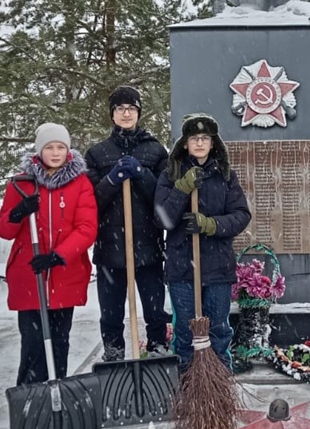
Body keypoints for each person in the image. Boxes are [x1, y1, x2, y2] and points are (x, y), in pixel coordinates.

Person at [0, 123, 98, 385]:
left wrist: (58, 255)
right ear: (39, 150)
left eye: (60, 147)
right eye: (49, 147)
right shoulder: (21, 184)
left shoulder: (80, 184)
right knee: (32, 344)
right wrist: (18, 213)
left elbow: (87, 228)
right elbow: (4, 230)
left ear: (68, 150)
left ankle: (57, 392)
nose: (55, 153)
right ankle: (30, 399)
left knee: (59, 341)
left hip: (65, 275)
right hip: (30, 275)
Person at [154, 113, 252, 371]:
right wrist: (181, 189)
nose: (199, 143)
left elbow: (241, 215)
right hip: (182, 267)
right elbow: (162, 219)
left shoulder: (225, 175)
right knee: (185, 333)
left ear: (212, 143)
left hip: (217, 266)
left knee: (218, 330)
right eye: (194, 138)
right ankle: (187, 386)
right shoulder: (171, 174)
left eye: (205, 138)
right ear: (185, 143)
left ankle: (219, 386)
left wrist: (211, 225)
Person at [84, 86, 171, 362]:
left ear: (138, 113)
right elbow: (90, 203)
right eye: (120, 108)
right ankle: (114, 355)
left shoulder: (156, 151)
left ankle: (157, 350)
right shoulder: (97, 153)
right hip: (110, 248)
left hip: (148, 247)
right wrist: (112, 179)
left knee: (155, 310)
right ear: (112, 114)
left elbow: (164, 197)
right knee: (110, 313)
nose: (126, 113)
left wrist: (141, 173)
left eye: (131, 108)